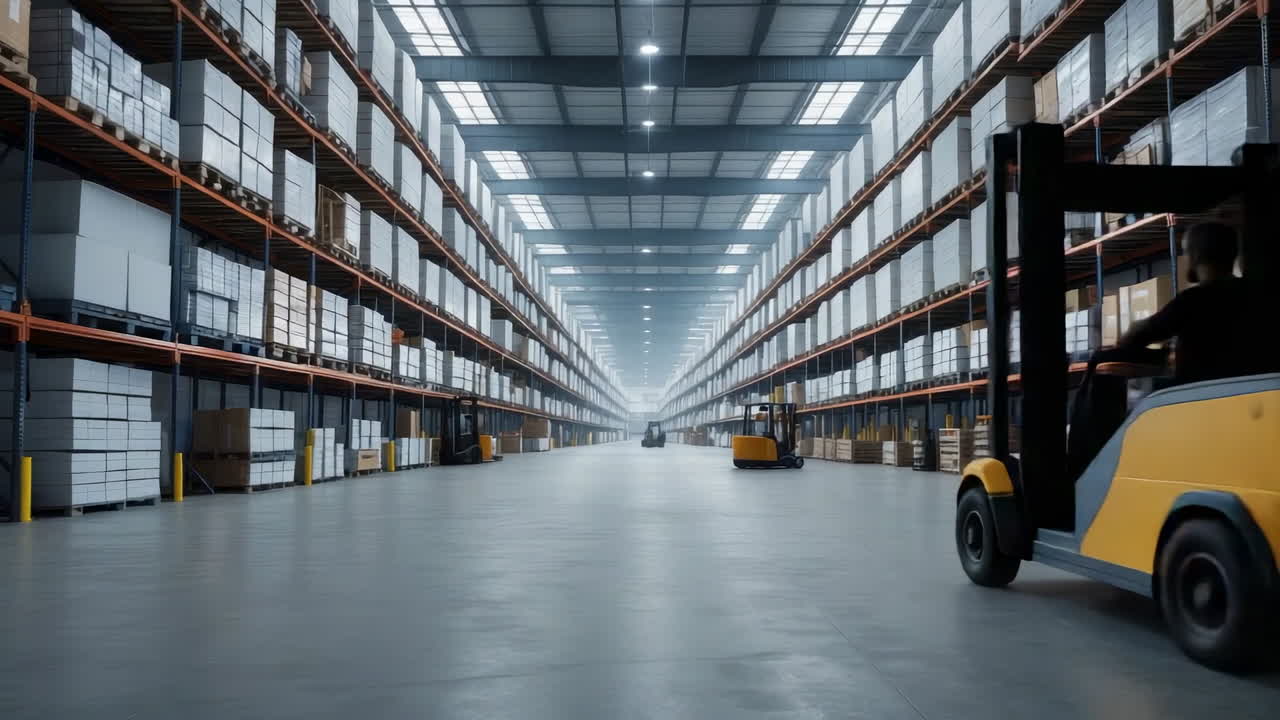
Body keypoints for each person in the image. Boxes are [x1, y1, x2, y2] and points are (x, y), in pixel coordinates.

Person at [1117, 222, 1255, 384]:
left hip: (1199, 396)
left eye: (1186, 253)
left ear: (1195, 256)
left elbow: (1137, 334)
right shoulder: (1254, 294)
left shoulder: (1193, 300)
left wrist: (1133, 330)